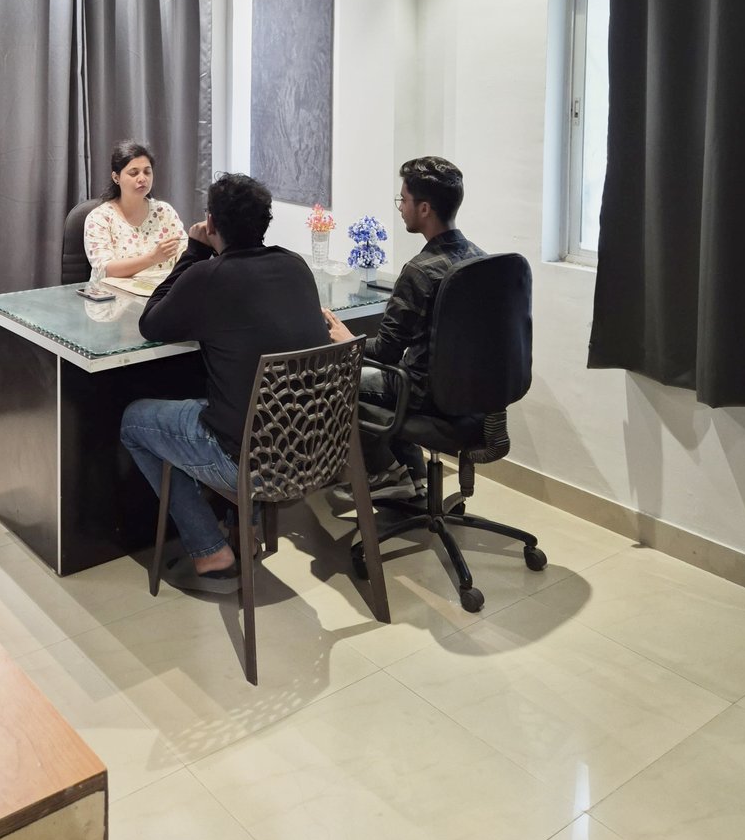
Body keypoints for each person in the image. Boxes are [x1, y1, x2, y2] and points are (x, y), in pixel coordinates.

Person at [120, 173, 327, 593]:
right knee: (237, 399)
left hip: (247, 462)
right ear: (265, 221)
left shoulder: (208, 277)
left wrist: (193, 251)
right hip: (313, 450)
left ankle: (208, 547)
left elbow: (151, 323)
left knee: (134, 421)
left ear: (212, 222)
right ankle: (245, 529)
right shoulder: (296, 265)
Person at [322, 156, 484, 502]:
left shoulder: (420, 271)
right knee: (397, 373)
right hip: (471, 390)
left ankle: (385, 471)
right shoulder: (479, 259)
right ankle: (412, 474)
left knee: (334, 379)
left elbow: (386, 351)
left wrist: (350, 340)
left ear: (424, 208)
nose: (400, 208)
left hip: (426, 393)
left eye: (403, 199)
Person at [83, 140, 187, 283]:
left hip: (161, 293)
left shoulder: (164, 212)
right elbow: (106, 269)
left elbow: (184, 256)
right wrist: (152, 258)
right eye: (134, 173)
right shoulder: (99, 218)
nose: (142, 178)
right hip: (112, 294)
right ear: (116, 177)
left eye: (147, 172)